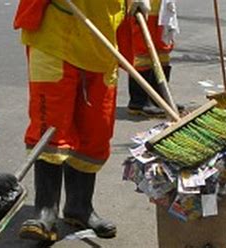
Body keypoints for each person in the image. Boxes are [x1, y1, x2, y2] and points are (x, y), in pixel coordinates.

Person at [12, 0, 150, 242]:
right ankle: (45, 211)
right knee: (50, 126)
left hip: (103, 40)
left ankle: (80, 207)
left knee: (96, 130)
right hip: (55, 34)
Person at [118, 0, 183, 117]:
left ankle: (160, 97)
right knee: (143, 51)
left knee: (163, 49)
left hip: (161, 7)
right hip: (143, 6)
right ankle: (139, 101)